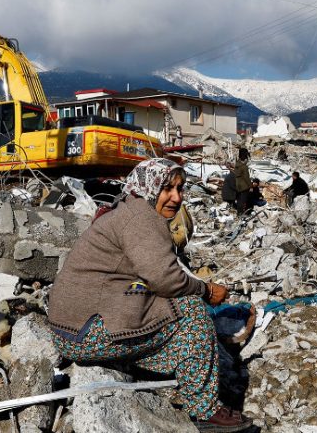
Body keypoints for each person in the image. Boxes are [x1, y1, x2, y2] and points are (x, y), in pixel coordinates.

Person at [47, 158, 251, 432]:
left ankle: (164, 366)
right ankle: (204, 410)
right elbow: (166, 280)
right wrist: (206, 290)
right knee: (191, 311)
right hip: (84, 333)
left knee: (159, 303)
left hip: (71, 328)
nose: (176, 197)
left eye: (180, 189)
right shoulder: (141, 220)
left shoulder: (130, 209)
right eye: (167, 189)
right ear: (150, 186)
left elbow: (152, 275)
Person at [234, 148, 252, 214]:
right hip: (244, 186)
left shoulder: (237, 164)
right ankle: (241, 214)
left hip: (237, 185)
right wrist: (251, 186)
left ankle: (239, 213)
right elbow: (247, 177)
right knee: (243, 201)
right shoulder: (244, 167)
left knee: (239, 200)